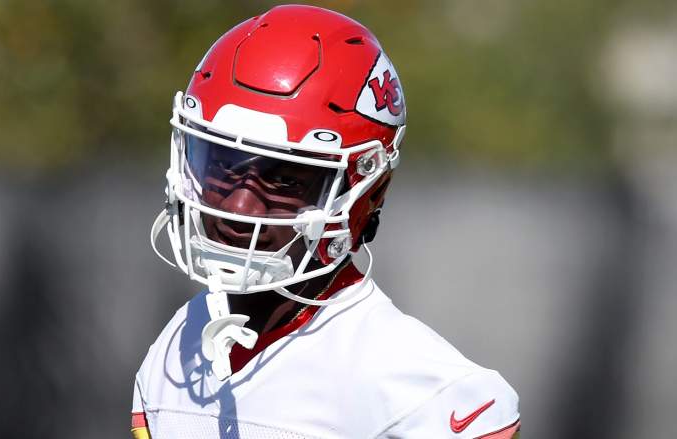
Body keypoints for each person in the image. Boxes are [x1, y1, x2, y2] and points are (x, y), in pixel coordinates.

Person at [132, 5, 520, 438]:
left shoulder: (424, 393)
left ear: (364, 194)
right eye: (222, 164)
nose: (240, 206)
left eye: (282, 179)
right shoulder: (175, 347)